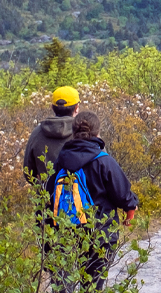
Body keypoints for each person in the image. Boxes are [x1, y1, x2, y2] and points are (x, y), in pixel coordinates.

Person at [45, 111, 139, 292]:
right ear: (97, 133)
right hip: (100, 233)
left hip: (66, 232)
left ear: (73, 133)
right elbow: (122, 194)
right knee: (93, 286)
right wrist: (130, 210)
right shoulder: (104, 161)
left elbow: (49, 194)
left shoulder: (59, 163)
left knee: (65, 284)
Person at [23, 86, 82, 184]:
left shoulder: (37, 133)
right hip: (81, 197)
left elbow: (28, 172)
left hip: (46, 197)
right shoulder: (86, 132)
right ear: (76, 108)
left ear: (52, 107)